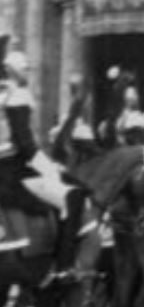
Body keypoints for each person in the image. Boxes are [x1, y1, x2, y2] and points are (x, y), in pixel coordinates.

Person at [0, 34, 87, 286]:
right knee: (73, 197)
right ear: (12, 69)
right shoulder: (16, 96)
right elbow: (25, 145)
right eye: (24, 68)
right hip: (11, 171)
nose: (28, 72)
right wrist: (50, 168)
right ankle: (63, 268)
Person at [114, 80, 144, 146]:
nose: (130, 99)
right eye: (128, 99)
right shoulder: (121, 119)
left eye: (135, 94)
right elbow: (119, 135)